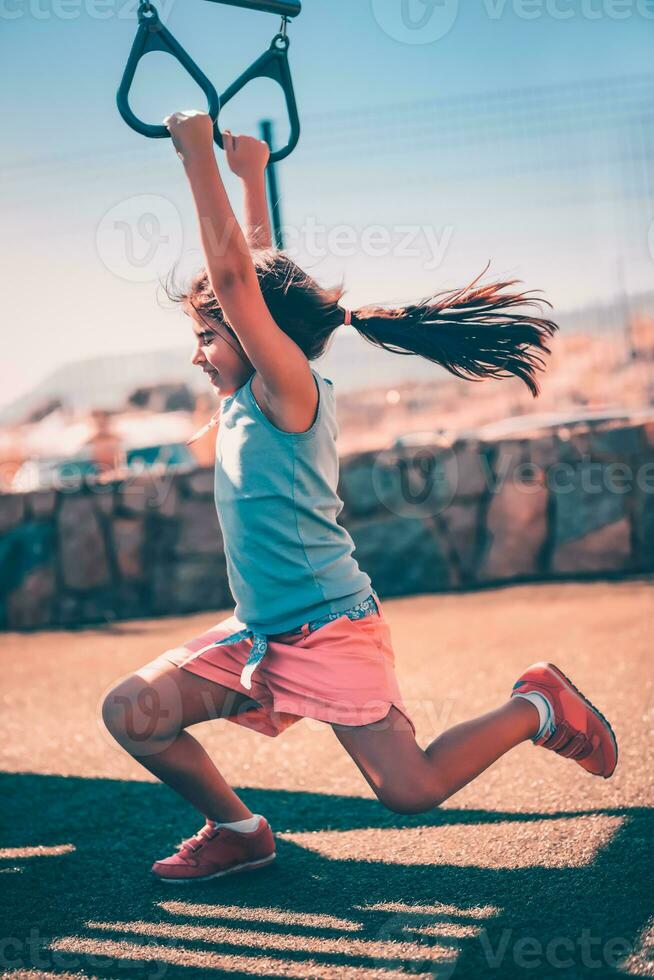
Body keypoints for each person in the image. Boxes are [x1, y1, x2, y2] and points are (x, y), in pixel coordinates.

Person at [102, 112, 617, 884]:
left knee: (411, 791)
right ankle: (239, 829)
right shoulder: (257, 385)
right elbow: (257, 277)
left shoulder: (289, 392)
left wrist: (197, 159)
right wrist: (249, 175)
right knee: (131, 713)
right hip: (260, 634)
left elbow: (243, 281)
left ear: (258, 332)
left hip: (330, 631)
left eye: (208, 334)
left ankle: (535, 704)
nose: (198, 352)